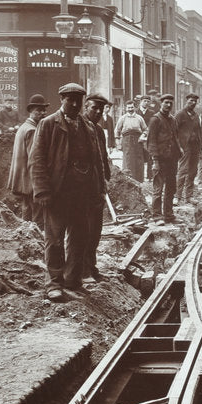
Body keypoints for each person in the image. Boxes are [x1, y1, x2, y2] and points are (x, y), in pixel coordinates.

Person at [29, 82, 105, 301]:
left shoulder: (88, 126)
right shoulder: (48, 124)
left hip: (82, 194)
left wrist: (99, 190)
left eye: (78, 100)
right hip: (57, 193)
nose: (74, 104)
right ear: (61, 99)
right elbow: (38, 160)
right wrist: (42, 191)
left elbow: (97, 161)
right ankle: (54, 283)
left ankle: (73, 281)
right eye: (69, 99)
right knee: (54, 240)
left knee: (80, 238)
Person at [83, 93, 112, 283]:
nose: (98, 112)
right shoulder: (80, 128)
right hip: (83, 188)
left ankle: (91, 267)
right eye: (94, 108)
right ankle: (83, 271)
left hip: (98, 188)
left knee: (95, 231)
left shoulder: (99, 130)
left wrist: (105, 180)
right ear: (86, 107)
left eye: (101, 109)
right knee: (83, 231)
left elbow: (103, 157)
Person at [6, 94, 49, 224]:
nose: (42, 113)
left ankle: (27, 238)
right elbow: (35, 159)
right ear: (31, 112)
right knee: (37, 215)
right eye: (38, 111)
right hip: (30, 180)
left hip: (22, 180)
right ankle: (36, 240)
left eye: (44, 110)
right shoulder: (32, 130)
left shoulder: (23, 127)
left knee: (27, 211)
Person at [147, 93, 180, 222]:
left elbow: (175, 137)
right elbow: (151, 141)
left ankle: (168, 214)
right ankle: (157, 216)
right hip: (160, 160)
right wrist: (155, 160)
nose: (168, 105)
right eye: (166, 102)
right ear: (161, 103)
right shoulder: (155, 119)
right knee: (158, 188)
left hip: (172, 159)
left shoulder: (172, 120)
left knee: (171, 188)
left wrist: (179, 152)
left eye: (170, 103)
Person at [175, 92, 201, 202]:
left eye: (195, 101)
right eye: (191, 101)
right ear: (187, 101)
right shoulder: (180, 114)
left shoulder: (196, 115)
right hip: (184, 147)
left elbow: (199, 131)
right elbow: (174, 131)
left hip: (195, 146)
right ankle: (177, 196)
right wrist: (178, 147)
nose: (193, 103)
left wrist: (201, 147)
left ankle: (188, 196)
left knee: (193, 171)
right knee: (182, 170)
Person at [115, 101, 147, 180]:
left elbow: (146, 129)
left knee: (138, 161)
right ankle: (128, 180)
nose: (130, 109)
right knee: (128, 161)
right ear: (126, 108)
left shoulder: (139, 118)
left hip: (138, 141)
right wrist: (118, 143)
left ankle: (139, 180)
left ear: (135, 108)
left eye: (132, 107)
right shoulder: (122, 118)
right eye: (128, 107)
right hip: (126, 141)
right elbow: (117, 131)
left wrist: (143, 135)